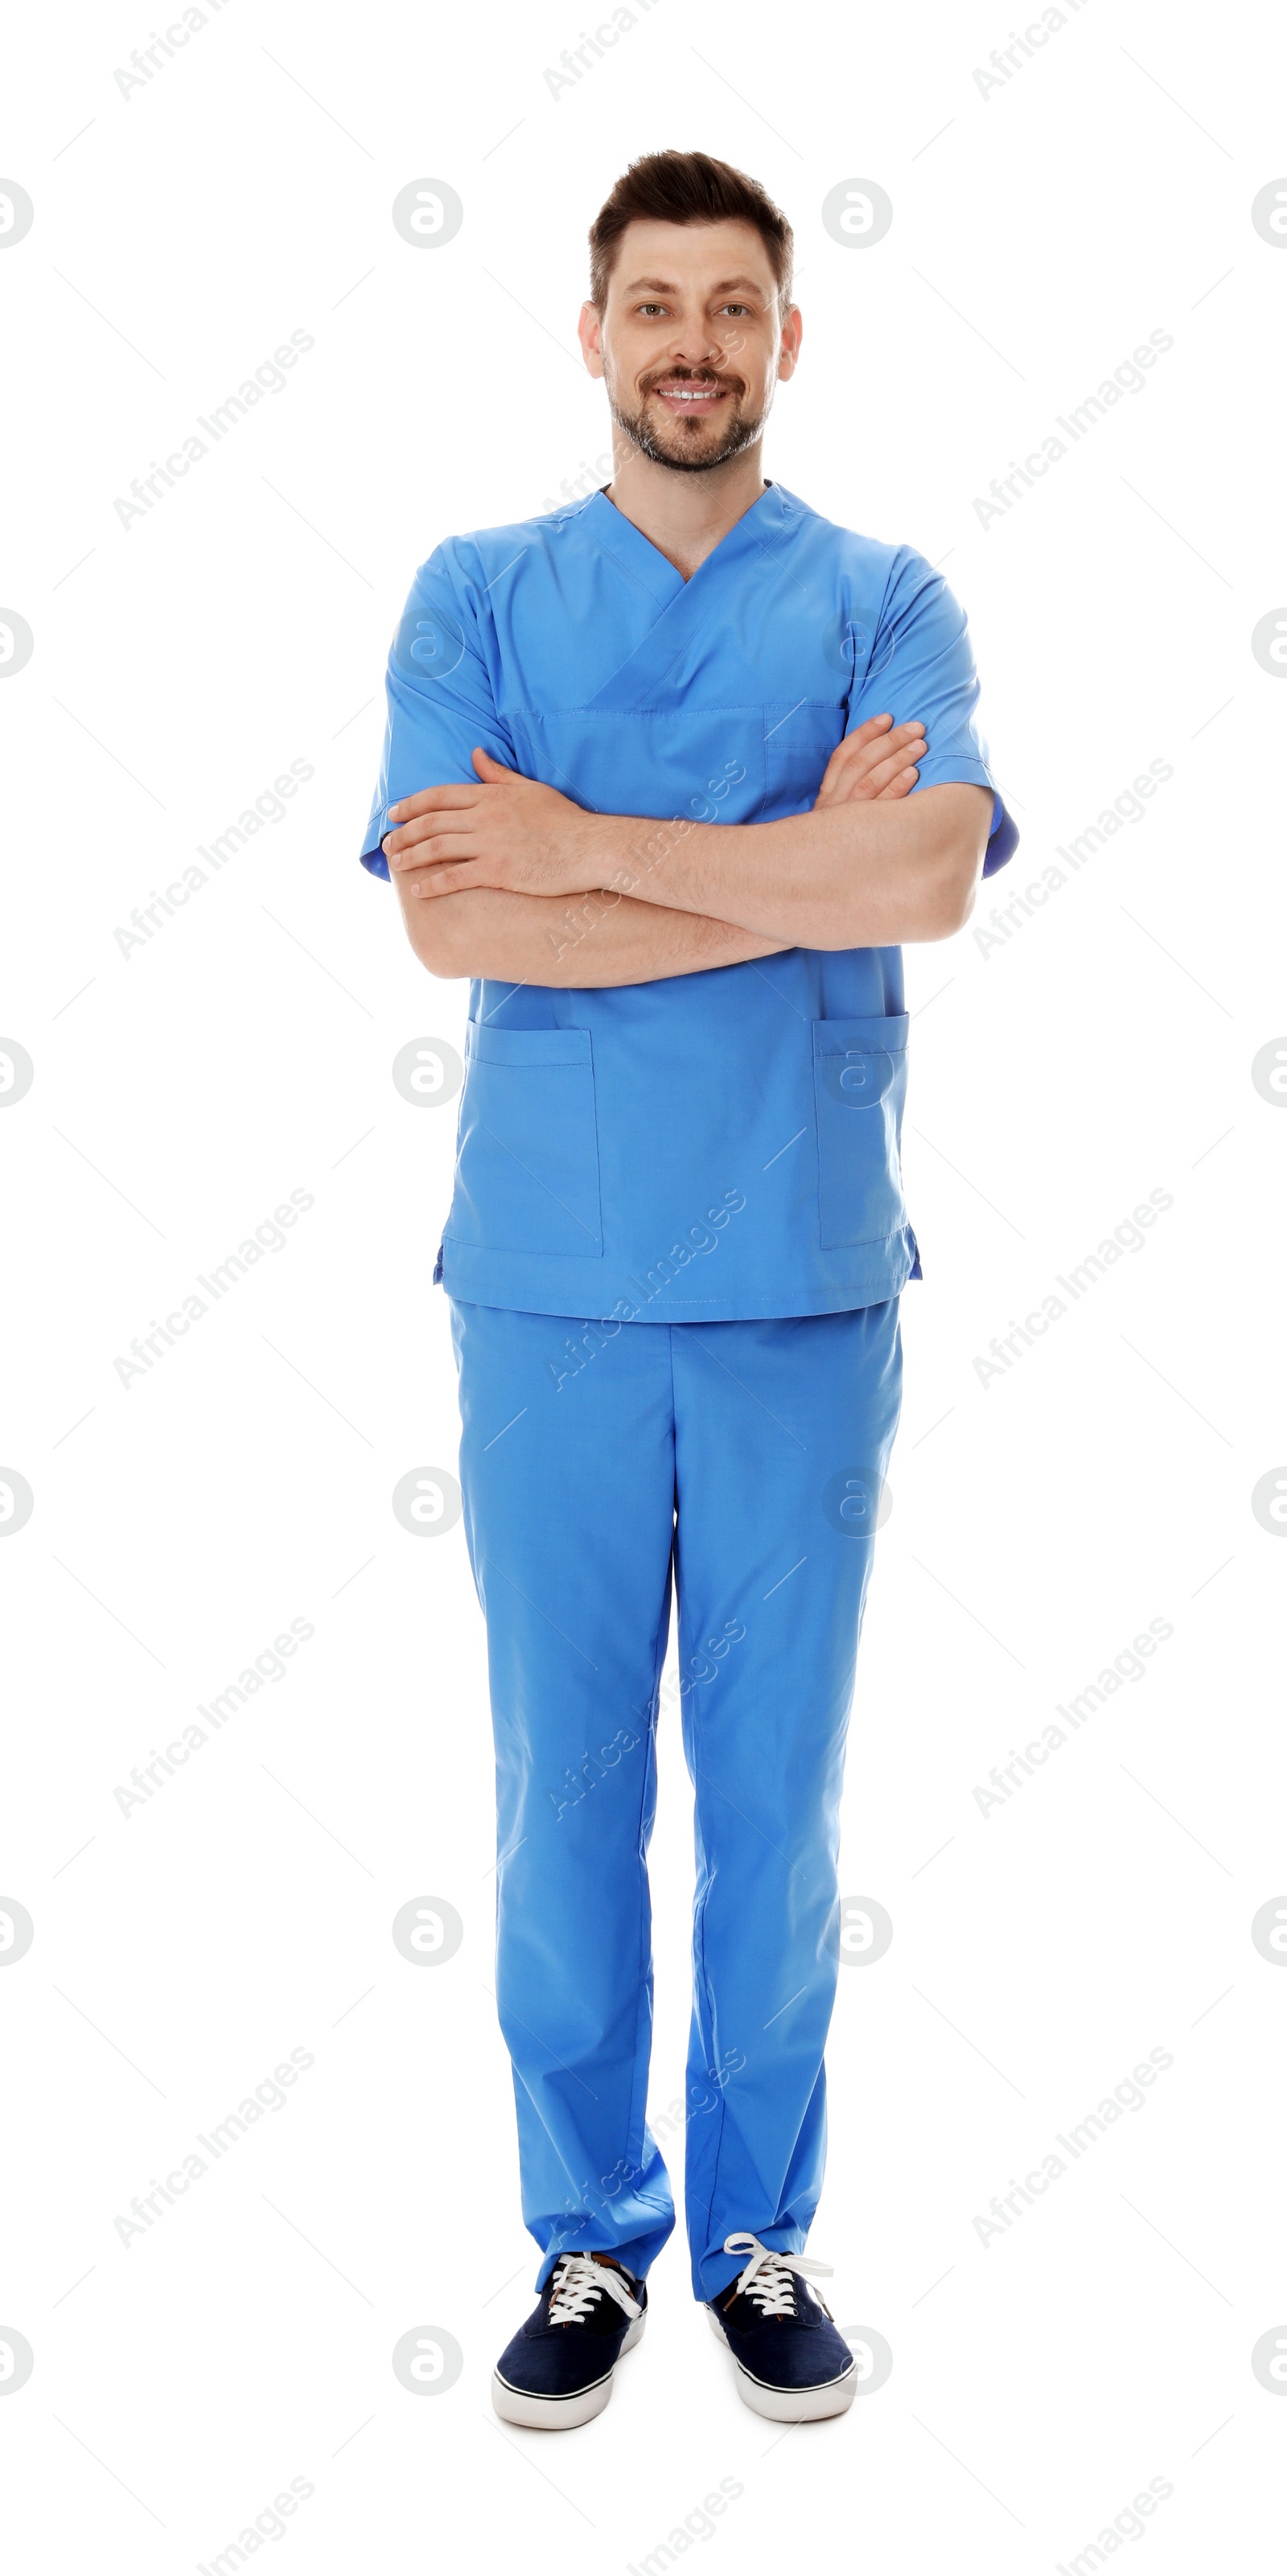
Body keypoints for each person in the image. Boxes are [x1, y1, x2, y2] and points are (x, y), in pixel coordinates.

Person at [360, 149, 1016, 2430]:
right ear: (595, 332)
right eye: (657, 305)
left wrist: (591, 841)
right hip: (544, 1294)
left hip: (801, 1297)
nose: (695, 345)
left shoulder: (885, 600)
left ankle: (755, 2236)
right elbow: (457, 922)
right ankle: (587, 2234)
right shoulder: (474, 598)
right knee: (561, 1802)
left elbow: (927, 868)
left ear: (788, 339)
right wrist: (782, 874)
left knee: (777, 1801)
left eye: (735, 305)